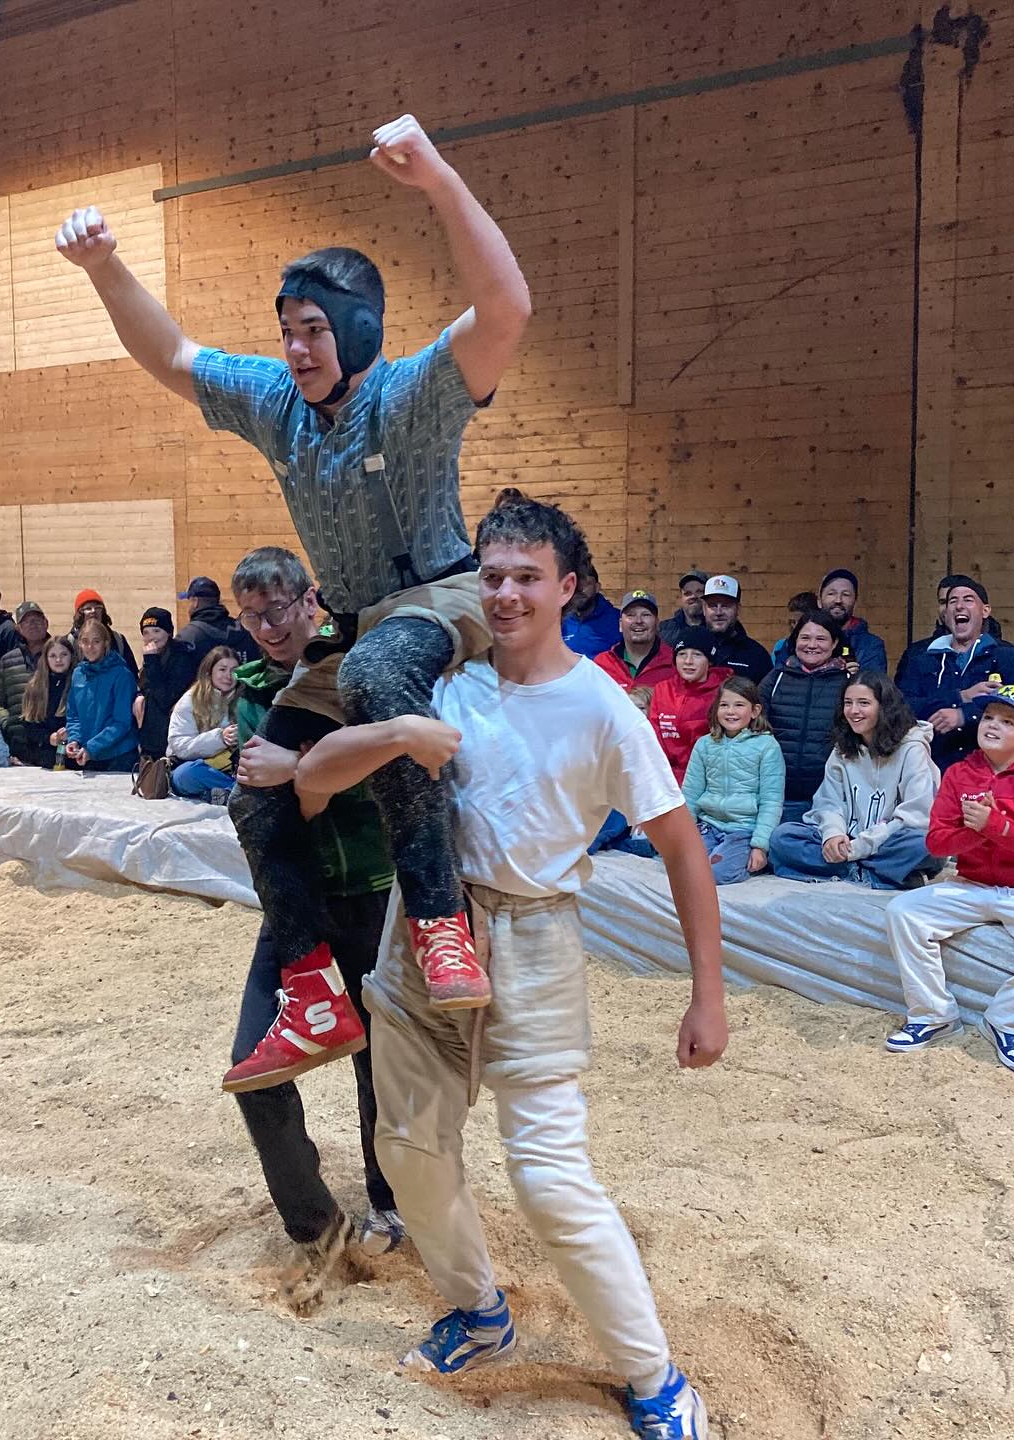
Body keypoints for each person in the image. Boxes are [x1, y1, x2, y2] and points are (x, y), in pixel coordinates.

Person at [58, 110, 530, 1082]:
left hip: (440, 601)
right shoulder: (278, 405)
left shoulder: (412, 392)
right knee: (258, 776)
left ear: (356, 332)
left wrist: (439, 181)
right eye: (286, 332)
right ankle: (311, 988)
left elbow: (508, 306)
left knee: (385, 667)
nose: (295, 348)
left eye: (311, 330)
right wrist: (105, 267)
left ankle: (443, 921)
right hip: (351, 629)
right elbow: (177, 359)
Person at [292, 497, 724, 1436]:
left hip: (535, 939)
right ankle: (478, 1311)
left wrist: (708, 995)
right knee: (405, 1148)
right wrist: (399, 736)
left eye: (527, 576)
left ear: (568, 588)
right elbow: (315, 777)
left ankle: (655, 1377)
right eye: (492, 574)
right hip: (426, 927)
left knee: (550, 1178)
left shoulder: (604, 708)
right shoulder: (442, 677)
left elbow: (684, 849)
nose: (506, 593)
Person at [219, 545, 403, 1291]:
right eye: (250, 615)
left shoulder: (354, 666)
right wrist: (314, 777)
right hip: (296, 905)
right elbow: (262, 797)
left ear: (309, 602)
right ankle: (318, 1227)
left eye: (276, 609)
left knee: (381, 1071)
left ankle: (392, 1205)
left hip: (372, 891)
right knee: (253, 1068)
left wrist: (302, 773)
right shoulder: (250, 687)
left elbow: (379, 774)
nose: (264, 626)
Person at [884, 684, 1014, 1076]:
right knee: (903, 911)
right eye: (990, 717)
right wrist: (980, 831)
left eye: (1008, 721)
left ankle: (1007, 1022)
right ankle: (933, 1015)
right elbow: (937, 840)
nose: (992, 725)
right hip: (970, 884)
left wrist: (997, 826)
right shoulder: (959, 773)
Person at [768, 671, 940, 888]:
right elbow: (828, 802)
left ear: (884, 706)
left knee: (924, 845)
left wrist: (861, 847)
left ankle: (850, 869)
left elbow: (916, 815)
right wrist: (833, 834)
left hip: (887, 841)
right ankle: (870, 874)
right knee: (782, 838)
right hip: (847, 839)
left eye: (864, 703)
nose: (853, 711)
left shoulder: (912, 748)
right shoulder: (842, 748)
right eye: (848, 703)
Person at [900, 576, 1014, 772]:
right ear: (945, 614)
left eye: (968, 599)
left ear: (985, 611)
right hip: (928, 769)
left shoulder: (1010, 657)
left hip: (991, 771)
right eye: (952, 601)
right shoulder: (921, 659)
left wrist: (965, 715)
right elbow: (901, 708)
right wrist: (960, 696)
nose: (959, 606)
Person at [681, 675, 784, 884]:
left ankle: (750, 860)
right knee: (683, 868)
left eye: (739, 705)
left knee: (714, 874)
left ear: (754, 711)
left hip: (744, 830)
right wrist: (685, 834)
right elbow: (690, 793)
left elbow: (771, 801)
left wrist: (760, 846)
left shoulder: (767, 746)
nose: (730, 711)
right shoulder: (704, 745)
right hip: (709, 825)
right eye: (724, 705)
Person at [758, 610, 851, 821]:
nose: (812, 645)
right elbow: (755, 726)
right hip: (779, 794)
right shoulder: (776, 679)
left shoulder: (848, 682)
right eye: (805, 637)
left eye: (821, 639)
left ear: (835, 643)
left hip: (830, 795)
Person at [647, 630, 730, 785]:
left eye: (697, 655)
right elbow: (654, 734)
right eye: (682, 654)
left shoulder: (724, 693)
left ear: (709, 661)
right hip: (666, 780)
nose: (688, 661)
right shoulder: (662, 689)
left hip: (707, 780)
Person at [64, 619, 139, 772]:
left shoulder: (121, 675)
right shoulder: (78, 674)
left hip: (118, 757)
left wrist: (92, 747)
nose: (90, 647)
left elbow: (122, 722)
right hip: (88, 756)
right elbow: (73, 715)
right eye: (85, 641)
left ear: (106, 643)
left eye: (96, 641)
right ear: (79, 643)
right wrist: (74, 740)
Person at [168, 646, 240, 803]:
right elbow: (179, 745)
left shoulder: (245, 698)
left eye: (234, 670)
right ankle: (237, 794)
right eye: (222, 669)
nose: (228, 676)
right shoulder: (190, 700)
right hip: (196, 766)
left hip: (233, 768)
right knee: (186, 775)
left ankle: (223, 793)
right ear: (209, 671)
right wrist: (220, 738)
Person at [135, 606, 197, 760]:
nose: (151, 637)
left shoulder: (182, 658)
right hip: (150, 739)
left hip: (171, 738)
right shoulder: (152, 657)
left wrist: (151, 661)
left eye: (157, 631)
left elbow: (165, 698)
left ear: (169, 632)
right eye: (146, 633)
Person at [11, 635, 75, 767]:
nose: (58, 660)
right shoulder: (35, 686)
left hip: (72, 751)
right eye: (52, 656)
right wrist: (48, 738)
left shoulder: (78, 684)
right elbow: (29, 725)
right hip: (41, 756)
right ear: (45, 659)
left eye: (64, 654)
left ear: (72, 656)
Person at [594, 590, 675, 690]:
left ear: (657, 623)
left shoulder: (675, 663)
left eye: (646, 615)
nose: (638, 621)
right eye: (631, 615)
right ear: (620, 624)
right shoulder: (603, 663)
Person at [0, 600, 50, 740]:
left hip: (50, 739)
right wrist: (7, 724)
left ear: (46, 623)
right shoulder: (8, 660)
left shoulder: (58, 655)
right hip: (18, 740)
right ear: (18, 628)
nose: (33, 625)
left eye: (37, 620)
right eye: (26, 621)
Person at [701, 575, 772, 682]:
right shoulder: (689, 650)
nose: (718, 612)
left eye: (725, 605)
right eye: (713, 605)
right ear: (704, 609)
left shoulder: (757, 655)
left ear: (738, 609)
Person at [176, 576, 257, 665]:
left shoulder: (187, 637)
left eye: (189, 602)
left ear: (195, 602)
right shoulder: (245, 629)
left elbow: (180, 675)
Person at [560, 560, 622, 660]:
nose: (580, 589)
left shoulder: (617, 620)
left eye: (586, 584)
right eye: (575, 584)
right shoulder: (557, 620)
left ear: (597, 587)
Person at [69, 590, 138, 672]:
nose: (93, 611)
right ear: (79, 614)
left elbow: (132, 673)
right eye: (88, 608)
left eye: (98, 607)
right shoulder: (70, 642)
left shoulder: (118, 640)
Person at [658, 570, 709, 649]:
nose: (693, 596)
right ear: (681, 597)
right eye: (687, 593)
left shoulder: (715, 629)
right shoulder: (663, 630)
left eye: (699, 592)